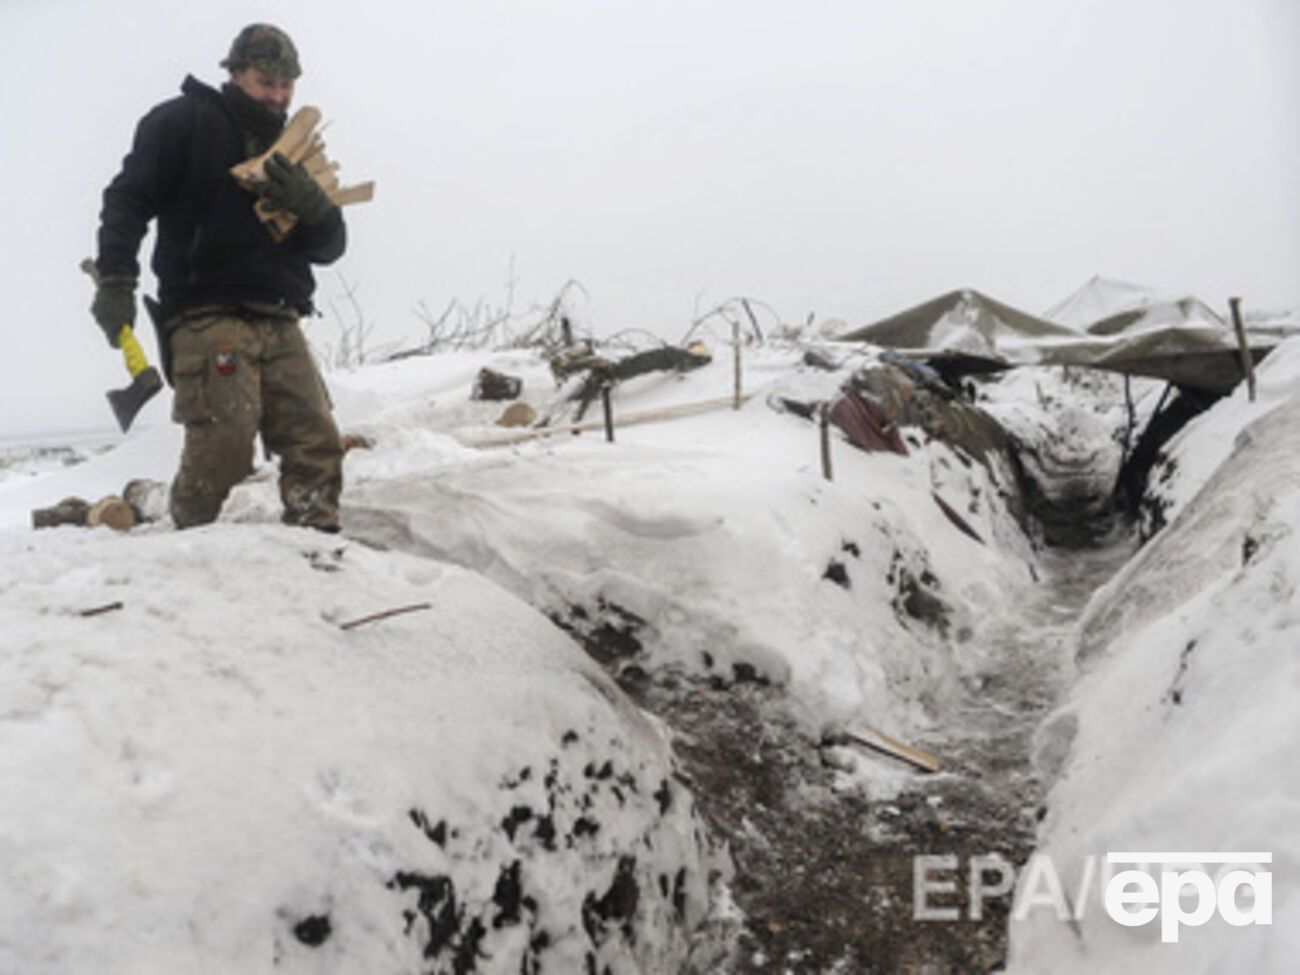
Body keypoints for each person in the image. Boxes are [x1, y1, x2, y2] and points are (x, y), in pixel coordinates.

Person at [90, 24, 346, 532]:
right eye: (264, 81)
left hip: (280, 313)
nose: (277, 94)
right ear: (234, 73)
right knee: (224, 444)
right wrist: (115, 279)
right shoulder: (182, 122)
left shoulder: (295, 150)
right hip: (207, 314)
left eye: (285, 84)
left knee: (314, 439)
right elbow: (127, 200)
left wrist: (316, 209)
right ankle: (192, 545)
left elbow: (330, 249)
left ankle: (317, 542)